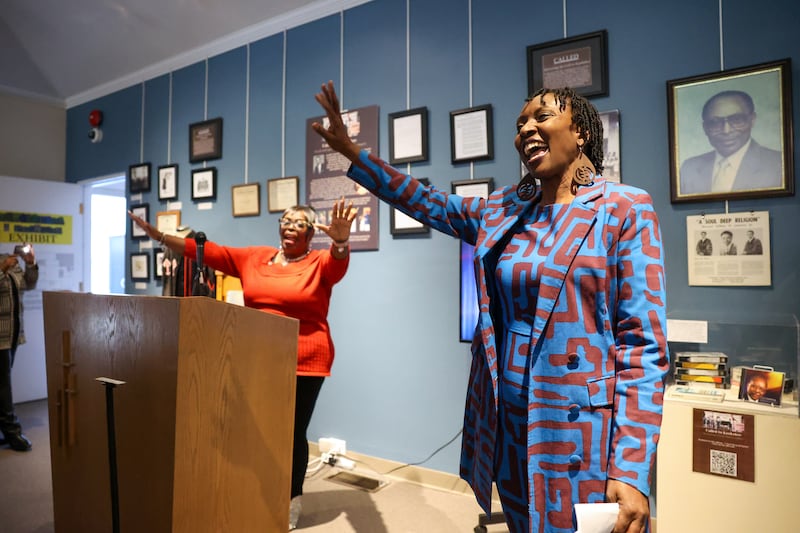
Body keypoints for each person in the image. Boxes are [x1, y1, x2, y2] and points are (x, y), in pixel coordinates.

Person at [313, 81, 669, 533]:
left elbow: (643, 348)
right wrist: (353, 152)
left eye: (541, 117)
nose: (527, 130)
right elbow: (425, 202)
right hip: (508, 423)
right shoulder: (502, 210)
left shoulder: (624, 209)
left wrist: (632, 469)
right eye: (521, 125)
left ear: (580, 132)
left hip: (579, 430)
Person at [129, 198, 356, 531]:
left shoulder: (320, 263)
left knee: (292, 432)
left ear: (310, 234)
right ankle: (258, 491)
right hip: (257, 357)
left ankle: (292, 497)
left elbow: (339, 265)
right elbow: (207, 251)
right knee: (257, 429)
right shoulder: (256, 257)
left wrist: (340, 242)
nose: (290, 227)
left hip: (305, 360)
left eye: (299, 224)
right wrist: (158, 236)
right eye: (286, 220)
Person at [679, 90, 783, 195]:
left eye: (736, 120)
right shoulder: (689, 168)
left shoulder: (778, 164)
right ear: (705, 128)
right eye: (715, 123)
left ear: (752, 120)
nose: (726, 130)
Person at [0, 243, 38, 452]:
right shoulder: (4, 263)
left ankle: (4, 429)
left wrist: (30, 263)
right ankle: (12, 432)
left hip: (13, 334)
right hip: (0, 337)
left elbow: (28, 285)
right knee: (3, 386)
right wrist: (2, 269)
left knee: (1, 383)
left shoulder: (9, 260)